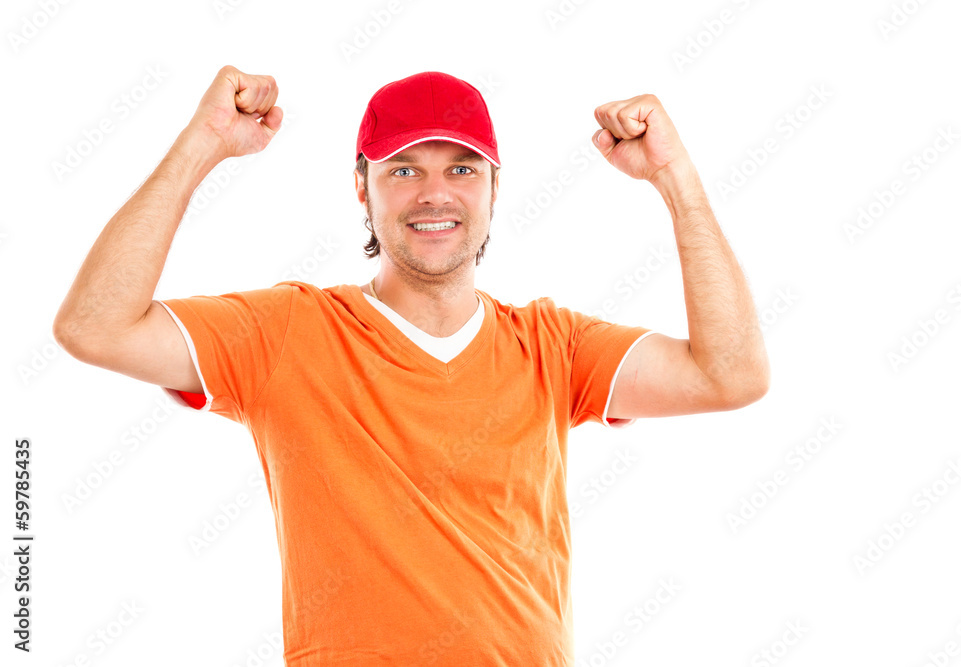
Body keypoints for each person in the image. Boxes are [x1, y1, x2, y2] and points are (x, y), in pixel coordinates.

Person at [53, 65, 770, 666]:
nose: (434, 193)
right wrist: (202, 143)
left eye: (460, 167)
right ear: (361, 187)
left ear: (493, 187)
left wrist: (674, 177)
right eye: (404, 169)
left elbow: (731, 375)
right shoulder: (286, 332)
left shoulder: (554, 346)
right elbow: (94, 326)